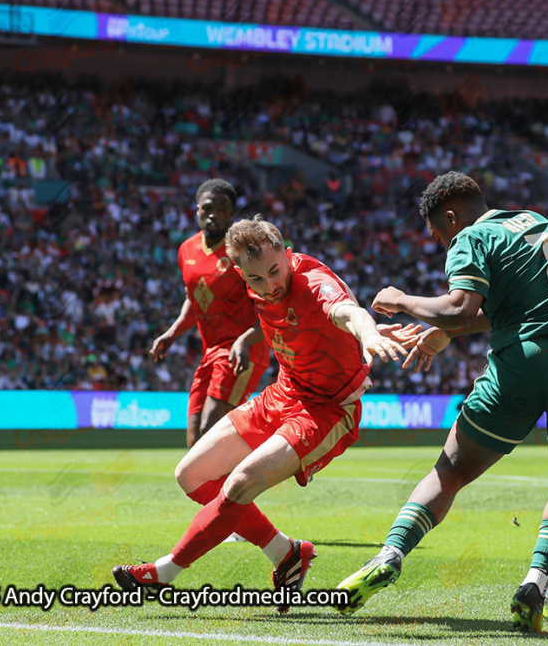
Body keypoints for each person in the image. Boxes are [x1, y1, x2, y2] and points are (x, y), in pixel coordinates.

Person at [335, 171, 548, 632]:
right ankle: (536, 581)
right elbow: (508, 310)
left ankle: (391, 554)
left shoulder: (471, 235)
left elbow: (460, 306)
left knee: (449, 473)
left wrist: (401, 299)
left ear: (451, 215)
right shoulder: (539, 224)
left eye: (438, 234)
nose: (443, 244)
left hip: (520, 364)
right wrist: (444, 334)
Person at [114, 216, 415, 612]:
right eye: (256, 279)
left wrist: (369, 331)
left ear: (287, 255)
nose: (270, 284)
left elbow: (345, 310)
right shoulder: (256, 288)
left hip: (325, 411)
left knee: (239, 482)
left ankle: (164, 573)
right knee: (190, 475)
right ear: (240, 274)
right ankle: (286, 553)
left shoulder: (312, 280)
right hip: (281, 395)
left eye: (275, 270)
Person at [150, 179, 271, 448]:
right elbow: (194, 300)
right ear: (196, 210)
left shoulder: (244, 253)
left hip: (244, 351)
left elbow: (270, 306)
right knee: (194, 440)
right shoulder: (187, 250)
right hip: (211, 351)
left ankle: (259, 464)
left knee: (210, 433)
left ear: (231, 214)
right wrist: (172, 332)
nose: (213, 214)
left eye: (222, 208)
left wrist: (246, 341)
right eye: (207, 208)